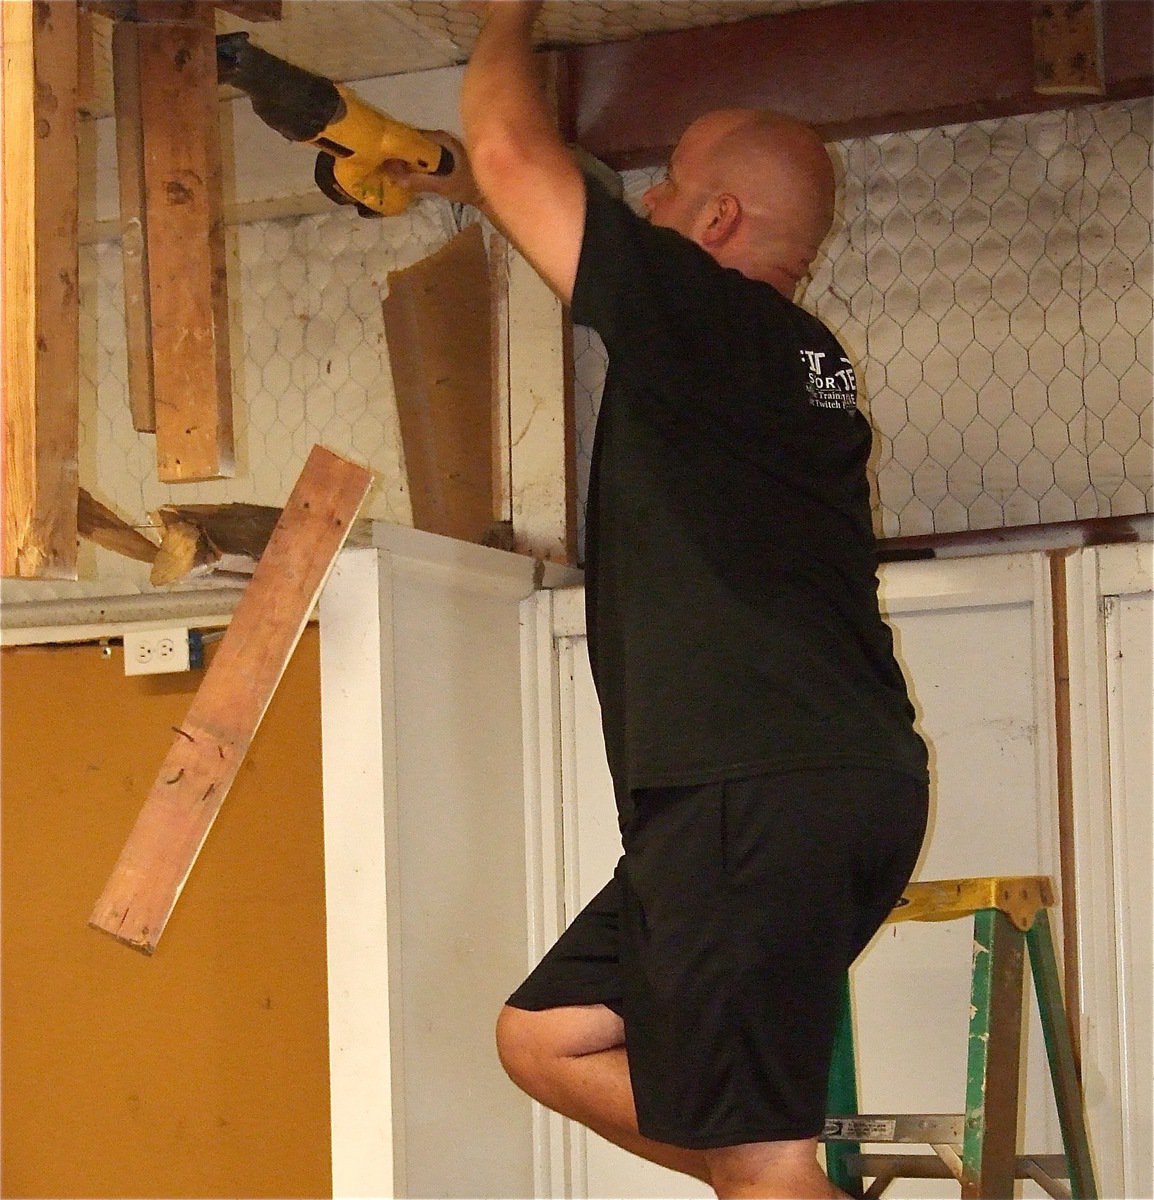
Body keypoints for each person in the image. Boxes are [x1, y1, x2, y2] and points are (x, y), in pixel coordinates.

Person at [391, 3, 930, 1196]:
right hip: (818, 790)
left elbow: (513, 158)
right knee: (547, 1035)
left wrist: (501, 24)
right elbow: (531, 197)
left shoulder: (704, 321)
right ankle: (776, 1181)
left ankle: (772, 1178)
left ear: (719, 219)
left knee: (760, 1154)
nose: (645, 208)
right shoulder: (781, 359)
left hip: (749, 789)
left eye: (669, 186)